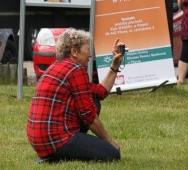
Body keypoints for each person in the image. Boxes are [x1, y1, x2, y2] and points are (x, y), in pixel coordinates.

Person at [27, 28, 123, 162]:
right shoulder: (76, 70)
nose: (90, 55)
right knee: (113, 155)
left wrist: (115, 65)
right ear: (74, 51)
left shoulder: (57, 67)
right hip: (55, 140)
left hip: (40, 142)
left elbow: (100, 92)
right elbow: (88, 115)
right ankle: (61, 153)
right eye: (87, 50)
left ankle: (62, 153)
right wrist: (110, 141)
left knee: (94, 101)